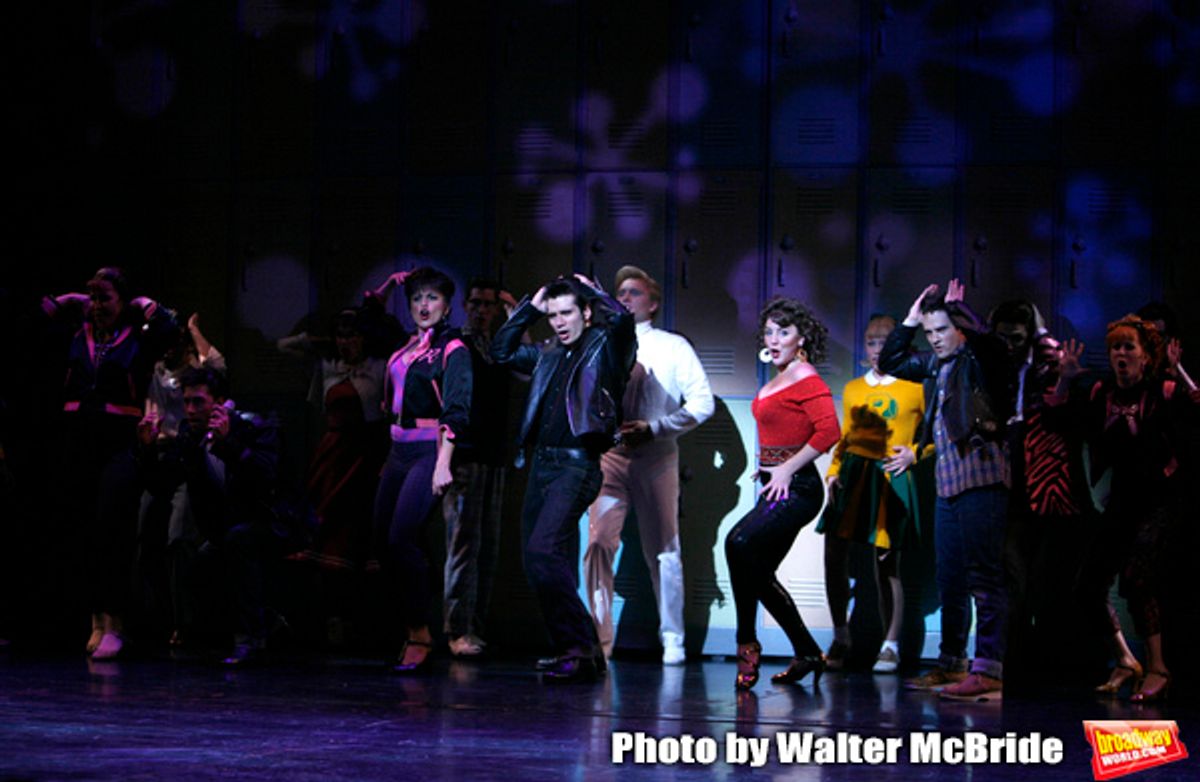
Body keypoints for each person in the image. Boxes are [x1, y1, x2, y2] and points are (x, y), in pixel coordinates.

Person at [491, 274, 635, 683]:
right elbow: (501, 352)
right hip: (541, 465)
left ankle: (577, 648)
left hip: (576, 466)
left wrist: (592, 291)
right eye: (553, 315)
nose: (558, 322)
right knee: (536, 560)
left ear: (585, 313)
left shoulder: (605, 346)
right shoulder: (547, 352)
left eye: (566, 313)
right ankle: (580, 649)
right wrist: (529, 311)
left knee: (543, 551)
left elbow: (622, 322)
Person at [1049, 315, 1198, 702]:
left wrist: (1180, 371)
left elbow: (1196, 414)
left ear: (1145, 356)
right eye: (1115, 346)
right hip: (1122, 501)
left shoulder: (1163, 391)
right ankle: (1125, 659)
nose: (1121, 353)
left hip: (1161, 501)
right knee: (1088, 585)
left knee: (1138, 578)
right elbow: (1062, 422)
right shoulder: (1102, 392)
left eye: (1129, 346)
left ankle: (1158, 668)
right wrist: (1065, 380)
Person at [879, 280, 1013, 702]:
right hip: (948, 485)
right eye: (929, 332)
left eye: (942, 330)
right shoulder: (936, 366)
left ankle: (988, 669)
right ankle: (953, 663)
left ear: (959, 330)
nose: (935, 339)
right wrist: (910, 319)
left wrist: (964, 313)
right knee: (950, 578)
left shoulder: (977, 360)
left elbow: (996, 350)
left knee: (984, 577)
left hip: (982, 479)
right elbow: (892, 360)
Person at [43, 267, 178, 659]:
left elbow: (170, 331)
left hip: (118, 443)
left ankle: (116, 622)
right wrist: (67, 301)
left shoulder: (135, 338)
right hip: (78, 443)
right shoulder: (78, 336)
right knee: (84, 530)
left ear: (122, 301)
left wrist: (144, 304)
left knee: (112, 528)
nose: (98, 306)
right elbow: (33, 326)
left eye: (106, 298)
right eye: (93, 298)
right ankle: (96, 620)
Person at [584, 265, 714, 665]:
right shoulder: (600, 342)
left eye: (634, 292)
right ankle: (598, 639)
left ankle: (673, 637)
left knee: (664, 550)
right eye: (620, 292)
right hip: (610, 456)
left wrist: (657, 428)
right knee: (597, 544)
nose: (625, 298)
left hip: (656, 458)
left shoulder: (673, 346)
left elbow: (702, 403)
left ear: (653, 303)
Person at [725, 298, 840, 690]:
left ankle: (746, 643)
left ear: (801, 338)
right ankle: (807, 652)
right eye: (769, 332)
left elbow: (829, 431)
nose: (773, 340)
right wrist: (768, 465)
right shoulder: (780, 377)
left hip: (800, 488)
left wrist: (786, 468)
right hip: (777, 487)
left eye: (783, 332)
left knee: (738, 542)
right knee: (755, 571)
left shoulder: (804, 374)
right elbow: (782, 430)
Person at [136, 367, 282, 664]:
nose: (190, 410)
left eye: (198, 402)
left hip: (271, 523)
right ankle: (249, 625)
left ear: (220, 403)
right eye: (187, 402)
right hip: (227, 532)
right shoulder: (191, 437)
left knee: (239, 541)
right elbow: (163, 484)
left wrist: (228, 444)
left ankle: (249, 637)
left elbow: (265, 478)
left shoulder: (252, 427)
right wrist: (148, 450)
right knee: (196, 564)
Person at [278, 298, 398, 647]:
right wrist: (326, 342)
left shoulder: (379, 367)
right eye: (342, 336)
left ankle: (366, 624)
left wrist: (373, 318)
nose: (347, 342)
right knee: (325, 531)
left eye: (353, 336)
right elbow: (284, 346)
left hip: (367, 454)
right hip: (333, 455)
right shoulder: (328, 366)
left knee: (363, 532)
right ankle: (331, 619)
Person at [373, 267, 472, 673]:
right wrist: (391, 284)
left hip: (428, 451)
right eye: (416, 298)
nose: (424, 305)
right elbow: (367, 318)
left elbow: (457, 408)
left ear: (447, 306)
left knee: (401, 537)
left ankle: (420, 632)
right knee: (383, 539)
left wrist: (443, 463)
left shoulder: (452, 348)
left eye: (432, 298)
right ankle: (410, 617)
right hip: (397, 450)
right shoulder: (406, 345)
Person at [818, 314, 924, 674]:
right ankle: (840, 636)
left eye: (885, 341)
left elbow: (935, 436)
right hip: (853, 476)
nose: (878, 348)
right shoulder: (853, 388)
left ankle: (890, 645)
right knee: (834, 554)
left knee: (886, 562)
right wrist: (833, 472)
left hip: (890, 478)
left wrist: (915, 454)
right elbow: (846, 437)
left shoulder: (915, 388)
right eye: (871, 341)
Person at [441, 277, 518, 658]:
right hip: (465, 457)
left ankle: (477, 628)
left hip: (494, 455)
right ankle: (457, 630)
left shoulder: (500, 347)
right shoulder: (457, 345)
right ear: (465, 306)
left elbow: (531, 364)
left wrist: (516, 313)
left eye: (489, 304)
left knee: (487, 546)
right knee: (463, 545)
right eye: (476, 303)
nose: (482, 310)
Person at [138, 313, 225, 645]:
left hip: (187, 451)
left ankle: (185, 622)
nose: (190, 407)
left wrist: (193, 330)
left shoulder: (194, 371)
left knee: (179, 536)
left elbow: (216, 365)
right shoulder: (157, 370)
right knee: (144, 532)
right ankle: (152, 616)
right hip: (162, 453)